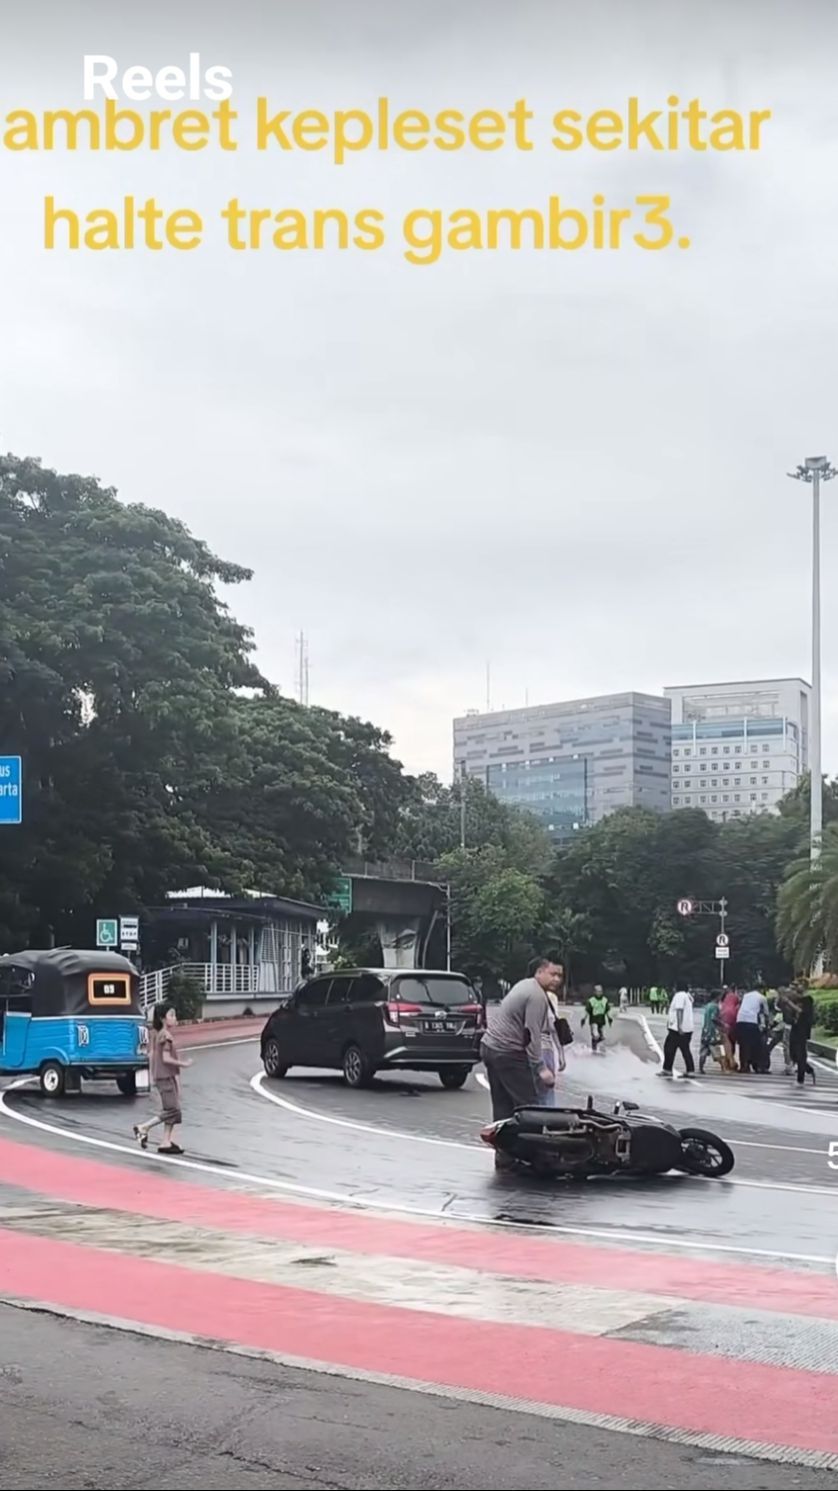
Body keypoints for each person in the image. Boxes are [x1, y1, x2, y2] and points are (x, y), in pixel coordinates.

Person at [133, 1004, 192, 1155]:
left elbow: (152, 1055)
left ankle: (166, 1141)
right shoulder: (165, 1036)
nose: (175, 1018)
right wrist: (183, 1064)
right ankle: (143, 1127)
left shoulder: (158, 1033)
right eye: (171, 1015)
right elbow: (166, 1058)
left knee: (173, 1110)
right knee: (173, 1109)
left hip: (164, 1076)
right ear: (163, 1018)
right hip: (165, 1077)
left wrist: (153, 1075)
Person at [661, 987, 695, 1075]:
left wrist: (679, 1025)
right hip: (686, 1028)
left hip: (677, 1029)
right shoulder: (687, 996)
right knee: (684, 1049)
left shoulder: (679, 995)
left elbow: (679, 1010)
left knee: (669, 1048)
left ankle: (667, 1069)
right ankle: (690, 1070)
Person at [734, 987, 768, 1074]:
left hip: (740, 1020)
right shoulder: (762, 997)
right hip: (752, 1022)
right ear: (762, 989)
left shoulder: (746, 995)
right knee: (755, 1045)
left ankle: (744, 1066)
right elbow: (766, 1012)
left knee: (743, 1045)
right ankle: (756, 1065)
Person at [789, 993, 816, 1087]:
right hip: (794, 1032)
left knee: (800, 1056)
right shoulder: (795, 1011)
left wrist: (788, 1001)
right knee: (793, 1054)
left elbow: (801, 1011)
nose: (798, 1005)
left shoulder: (806, 1012)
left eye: (800, 1004)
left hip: (801, 1034)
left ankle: (800, 1080)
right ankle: (808, 1069)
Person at [698, 991, 724, 1074]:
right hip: (713, 1032)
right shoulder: (715, 1007)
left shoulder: (707, 1006)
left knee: (703, 1052)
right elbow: (714, 1018)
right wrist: (722, 1024)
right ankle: (724, 1067)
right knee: (719, 1050)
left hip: (705, 1031)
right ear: (717, 997)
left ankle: (700, 1068)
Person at [583, 986, 611, 1051]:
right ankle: (594, 1047)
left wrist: (609, 1018)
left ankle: (595, 1044)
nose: (599, 993)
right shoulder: (591, 1000)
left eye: (600, 991)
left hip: (602, 1021)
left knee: (602, 1037)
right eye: (597, 991)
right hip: (593, 1021)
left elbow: (607, 1010)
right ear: (594, 992)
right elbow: (587, 1011)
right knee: (596, 1035)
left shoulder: (605, 1000)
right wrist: (584, 1019)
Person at [719, 986, 741, 1070]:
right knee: (732, 1042)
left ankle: (726, 1062)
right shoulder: (735, 1002)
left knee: (724, 1043)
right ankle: (731, 1060)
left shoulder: (723, 1003)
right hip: (733, 1022)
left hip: (723, 1022)